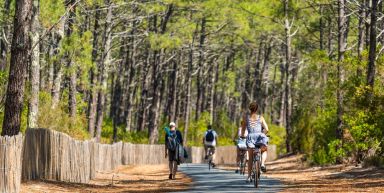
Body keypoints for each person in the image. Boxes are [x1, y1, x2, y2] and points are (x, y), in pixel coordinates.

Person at [241, 102, 269, 182]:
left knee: (250, 158)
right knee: (264, 150)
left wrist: (243, 136)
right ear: (257, 109)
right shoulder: (260, 117)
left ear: (250, 109)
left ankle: (249, 176)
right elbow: (267, 129)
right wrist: (262, 134)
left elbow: (243, 130)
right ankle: (262, 164)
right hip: (260, 137)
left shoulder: (246, 118)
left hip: (250, 137)